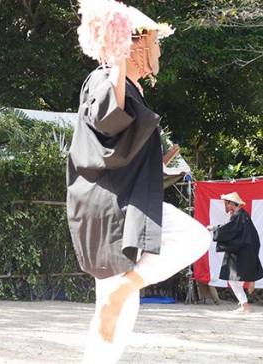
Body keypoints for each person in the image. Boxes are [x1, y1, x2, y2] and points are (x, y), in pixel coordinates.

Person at [67, 5, 211, 363]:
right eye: (155, 42)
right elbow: (108, 118)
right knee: (193, 238)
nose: (159, 51)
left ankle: (122, 294)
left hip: (118, 203)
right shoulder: (104, 80)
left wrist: (153, 167)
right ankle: (124, 290)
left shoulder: (125, 85)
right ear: (134, 46)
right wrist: (116, 60)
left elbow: (117, 150)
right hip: (114, 208)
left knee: (113, 321)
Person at [207, 192, 263, 313]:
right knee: (234, 279)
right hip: (245, 251)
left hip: (242, 252)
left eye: (226, 203)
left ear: (231, 203)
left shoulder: (239, 216)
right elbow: (231, 229)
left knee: (233, 279)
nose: (225, 206)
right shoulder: (242, 216)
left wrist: (214, 228)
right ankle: (248, 287)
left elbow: (229, 229)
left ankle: (245, 302)